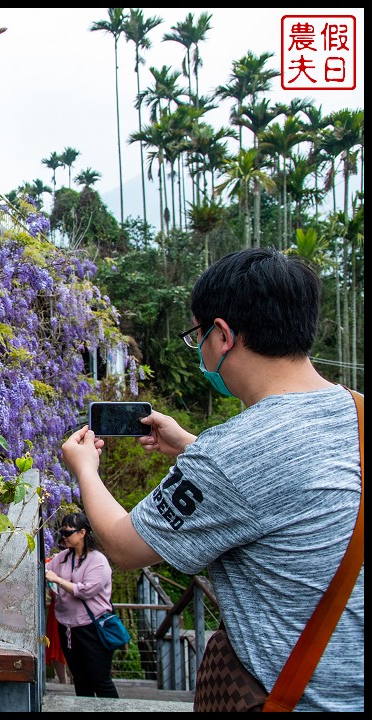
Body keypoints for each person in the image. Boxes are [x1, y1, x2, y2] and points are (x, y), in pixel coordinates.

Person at [60, 248, 364, 712]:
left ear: (222, 335)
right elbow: (289, 479)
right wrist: (192, 446)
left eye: (196, 335)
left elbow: (124, 547)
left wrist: (85, 469)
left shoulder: (233, 451)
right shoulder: (358, 412)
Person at [44, 511, 118, 698]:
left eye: (68, 533)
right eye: (62, 533)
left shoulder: (97, 561)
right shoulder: (63, 557)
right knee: (80, 679)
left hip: (92, 628)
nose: (64, 537)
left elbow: (86, 591)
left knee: (100, 680)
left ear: (82, 533)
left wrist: (58, 580)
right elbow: (44, 569)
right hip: (68, 628)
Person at [44, 554, 70, 684]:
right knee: (56, 646)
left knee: (74, 647)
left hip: (73, 611)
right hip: (56, 612)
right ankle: (63, 682)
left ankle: (77, 681)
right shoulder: (53, 564)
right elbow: (42, 564)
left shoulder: (76, 564)